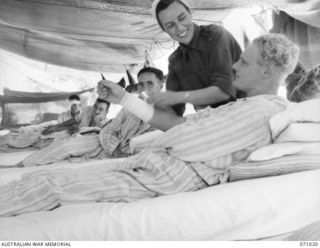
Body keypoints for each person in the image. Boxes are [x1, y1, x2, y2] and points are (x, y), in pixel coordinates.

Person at [0, 34, 300, 217]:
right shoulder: (245, 106)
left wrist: (177, 132)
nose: (234, 66)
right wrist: (124, 99)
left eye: (244, 62)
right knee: (42, 176)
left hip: (163, 178)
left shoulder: (261, 112)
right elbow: (181, 128)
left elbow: (187, 140)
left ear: (267, 70)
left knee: (46, 186)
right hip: (150, 165)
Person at [19, 67, 165, 166]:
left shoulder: (167, 115)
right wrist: (116, 151)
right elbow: (108, 131)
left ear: (161, 85)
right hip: (106, 144)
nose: (144, 88)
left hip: (130, 153)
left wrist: (125, 155)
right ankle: (21, 165)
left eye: (150, 84)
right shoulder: (129, 107)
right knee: (65, 145)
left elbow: (157, 144)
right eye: (140, 85)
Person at [147, 0, 243, 116]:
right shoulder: (175, 61)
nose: (179, 28)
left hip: (245, 108)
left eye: (182, 18)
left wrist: (179, 97)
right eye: (170, 25)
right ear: (164, 30)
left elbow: (224, 91)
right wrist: (153, 105)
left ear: (190, 13)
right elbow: (173, 110)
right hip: (212, 120)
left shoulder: (215, 35)